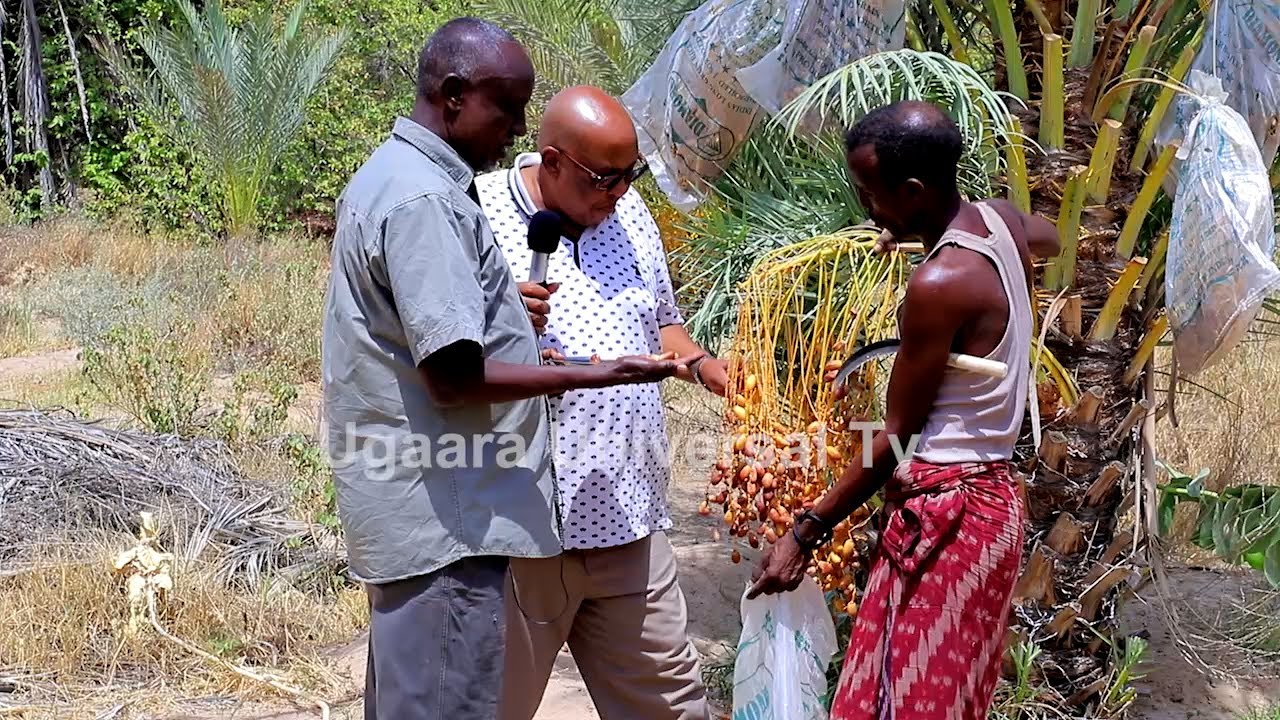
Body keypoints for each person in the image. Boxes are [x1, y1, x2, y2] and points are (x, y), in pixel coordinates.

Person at [321, 21, 701, 720]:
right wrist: (592, 374)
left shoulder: (410, 183)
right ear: (454, 95)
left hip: (595, 519)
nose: (516, 129)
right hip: (459, 521)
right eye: (507, 109)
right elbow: (454, 376)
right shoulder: (430, 200)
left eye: (630, 177)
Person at [746, 100, 1061, 720]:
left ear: (915, 192)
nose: (867, 209)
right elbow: (1047, 235)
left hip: (948, 514)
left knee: (912, 702)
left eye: (872, 195)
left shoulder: (938, 285)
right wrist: (921, 233)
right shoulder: (999, 223)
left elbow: (895, 436)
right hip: (995, 506)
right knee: (934, 695)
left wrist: (805, 532)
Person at [472, 85, 726, 720]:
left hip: (626, 520)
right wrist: (500, 315)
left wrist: (704, 367)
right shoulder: (474, 208)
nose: (618, 192)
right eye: (603, 178)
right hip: (519, 535)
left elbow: (663, 322)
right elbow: (442, 350)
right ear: (553, 161)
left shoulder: (629, 213)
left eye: (629, 174)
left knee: (673, 707)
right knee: (485, 706)